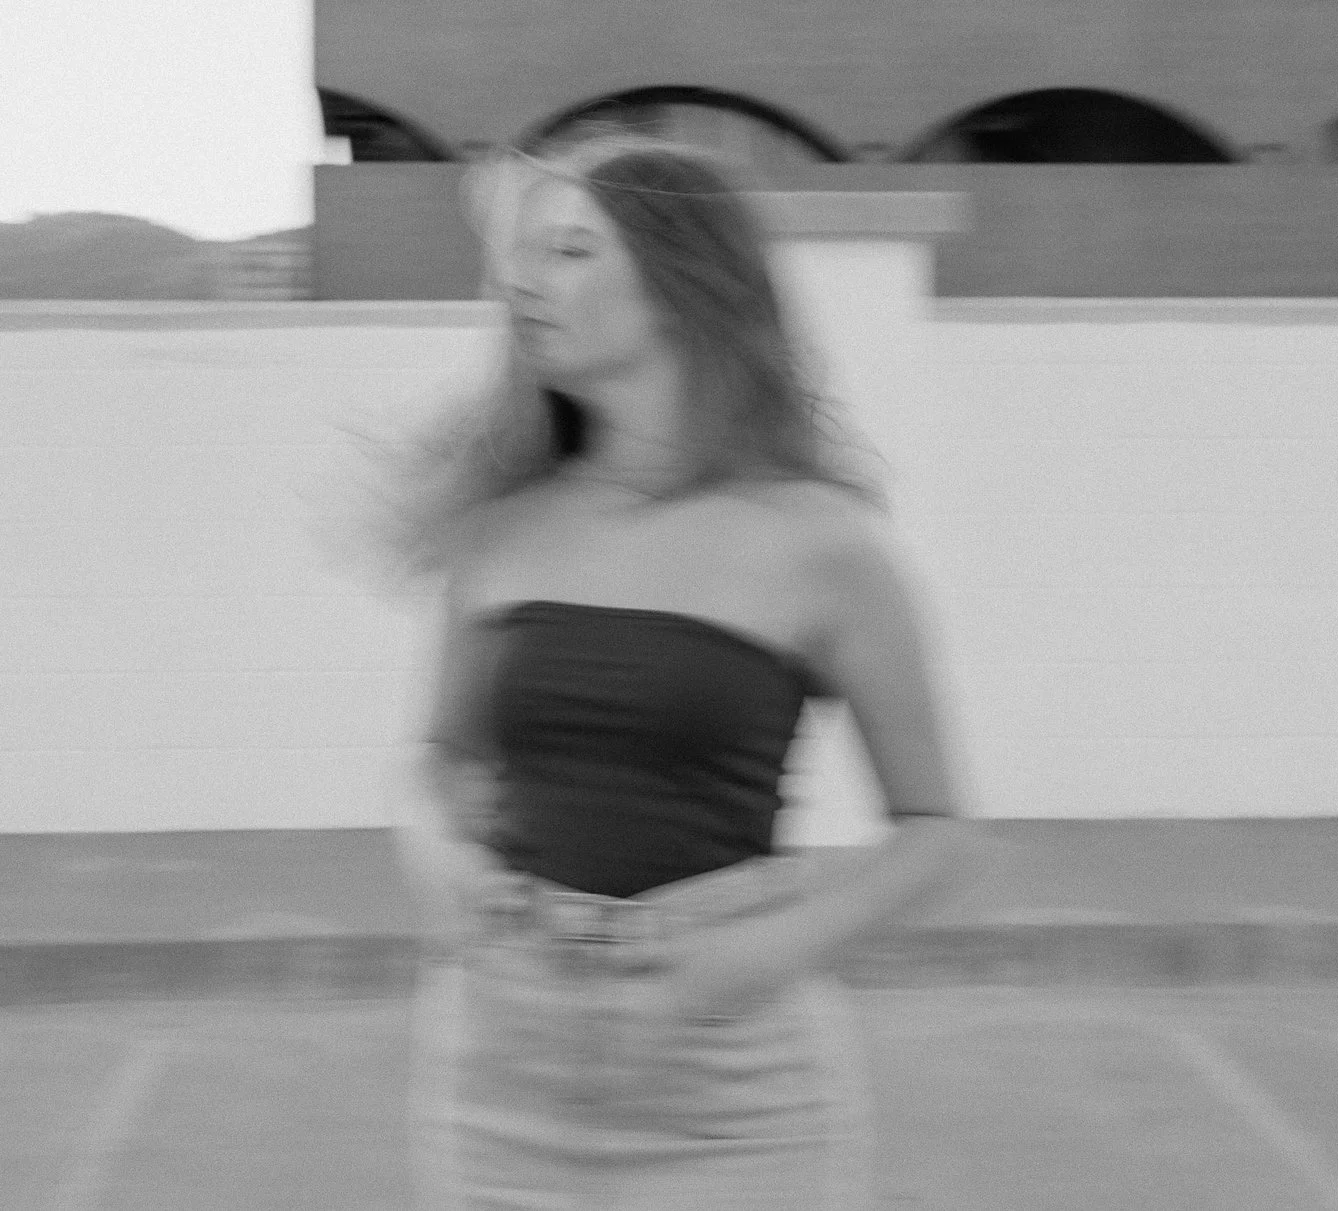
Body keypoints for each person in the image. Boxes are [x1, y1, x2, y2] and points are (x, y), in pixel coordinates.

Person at [390, 133, 988, 1208]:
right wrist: (436, 855)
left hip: (728, 1084)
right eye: (524, 253)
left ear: (679, 281)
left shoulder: (820, 542)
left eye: (570, 249)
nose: (521, 281)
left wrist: (765, 951)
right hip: (499, 1063)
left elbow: (940, 833)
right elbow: (438, 756)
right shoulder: (501, 521)